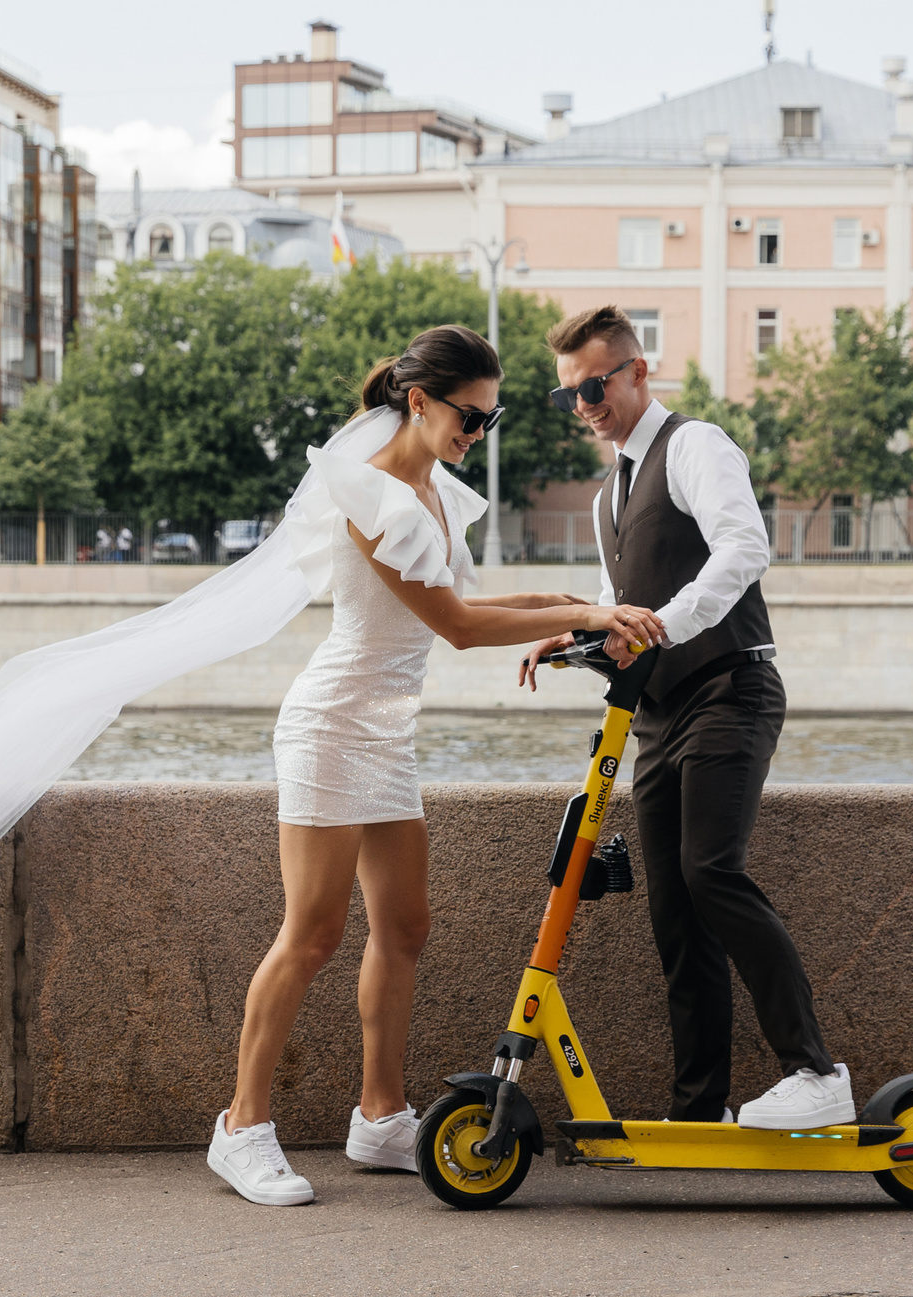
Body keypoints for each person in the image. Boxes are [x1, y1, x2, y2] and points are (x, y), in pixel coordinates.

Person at [212, 325, 663, 1206]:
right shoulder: (372, 492)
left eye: (490, 423)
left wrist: (586, 608)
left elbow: (470, 600)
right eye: (469, 417)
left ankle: (380, 1119)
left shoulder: (432, 491)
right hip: (330, 724)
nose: (477, 435)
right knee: (311, 935)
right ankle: (241, 1127)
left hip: (385, 733)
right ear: (419, 400)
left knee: (406, 926)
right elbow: (455, 627)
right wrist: (588, 611)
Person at [518, 305, 851, 1132]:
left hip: (731, 687)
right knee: (674, 910)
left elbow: (744, 549)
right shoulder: (607, 496)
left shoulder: (695, 445)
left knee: (712, 872)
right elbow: (618, 602)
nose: (584, 405)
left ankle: (815, 1071)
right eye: (569, 397)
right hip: (661, 713)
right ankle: (698, 1110)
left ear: (635, 371)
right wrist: (576, 629)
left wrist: (660, 623)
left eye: (593, 386)